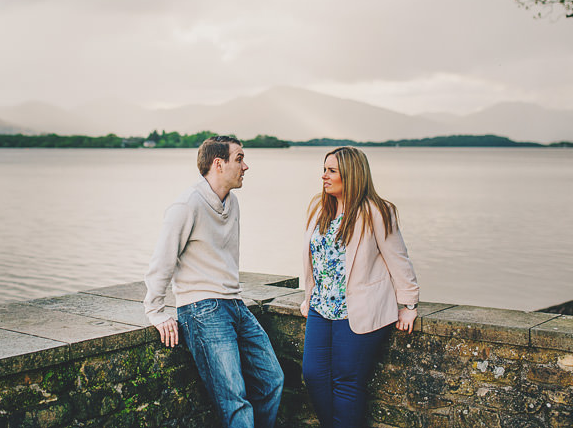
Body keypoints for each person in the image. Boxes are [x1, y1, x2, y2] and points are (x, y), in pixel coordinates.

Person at [144, 135, 284, 428]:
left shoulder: (232, 203)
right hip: (201, 309)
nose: (246, 166)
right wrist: (155, 312)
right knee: (234, 400)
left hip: (235, 304)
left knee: (272, 379)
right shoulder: (186, 205)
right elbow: (162, 261)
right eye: (240, 159)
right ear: (218, 164)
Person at [300, 146, 419, 428]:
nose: (324, 176)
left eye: (331, 171)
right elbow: (315, 257)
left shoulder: (378, 211)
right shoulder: (321, 208)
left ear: (351, 175)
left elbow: (398, 259)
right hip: (320, 308)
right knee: (314, 375)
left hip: (358, 310)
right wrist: (308, 296)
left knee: (347, 380)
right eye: (324, 169)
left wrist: (409, 305)